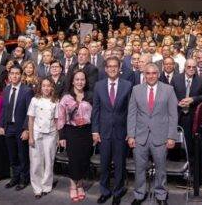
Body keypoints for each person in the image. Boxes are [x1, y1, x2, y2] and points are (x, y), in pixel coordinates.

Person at [127, 63, 179, 204]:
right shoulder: (136, 90)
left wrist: (171, 137)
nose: (151, 76)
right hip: (140, 137)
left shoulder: (168, 90)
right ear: (144, 74)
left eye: (154, 73)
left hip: (161, 137)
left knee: (161, 168)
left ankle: (161, 195)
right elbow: (132, 114)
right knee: (139, 168)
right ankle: (139, 194)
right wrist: (131, 135)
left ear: (158, 74)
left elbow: (173, 115)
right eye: (148, 73)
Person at [92, 57, 133, 205]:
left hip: (121, 133)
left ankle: (117, 192)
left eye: (115, 66)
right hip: (103, 132)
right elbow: (95, 110)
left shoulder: (127, 85)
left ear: (119, 67)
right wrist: (95, 131)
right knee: (104, 165)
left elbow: (130, 111)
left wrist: (130, 131)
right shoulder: (98, 86)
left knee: (119, 164)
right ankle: (104, 191)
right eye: (109, 66)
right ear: (105, 68)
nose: (112, 69)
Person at [58, 71, 94, 202]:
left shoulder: (90, 96)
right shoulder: (66, 97)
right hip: (71, 132)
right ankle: (73, 186)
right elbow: (61, 117)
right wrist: (61, 136)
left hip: (86, 132)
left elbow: (95, 116)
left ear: (85, 81)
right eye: (77, 79)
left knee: (84, 160)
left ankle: (80, 185)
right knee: (74, 160)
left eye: (82, 79)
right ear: (72, 81)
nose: (80, 82)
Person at [0, 66, 33, 191]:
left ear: (21, 75)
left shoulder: (27, 90)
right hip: (9, 127)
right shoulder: (6, 89)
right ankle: (15, 178)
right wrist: (2, 125)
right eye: (12, 73)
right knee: (12, 155)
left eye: (17, 73)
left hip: (21, 128)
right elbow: (4, 109)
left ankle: (24, 179)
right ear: (9, 76)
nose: (14, 76)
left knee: (22, 155)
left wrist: (26, 129)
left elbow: (30, 112)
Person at [27, 78, 60, 198]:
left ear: (52, 87)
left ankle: (46, 186)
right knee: (36, 162)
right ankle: (37, 188)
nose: (46, 88)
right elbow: (31, 119)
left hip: (51, 134)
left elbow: (57, 121)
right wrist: (30, 136)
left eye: (48, 86)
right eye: (44, 86)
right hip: (36, 133)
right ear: (40, 87)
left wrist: (57, 137)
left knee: (49, 161)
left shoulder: (56, 101)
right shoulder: (35, 100)